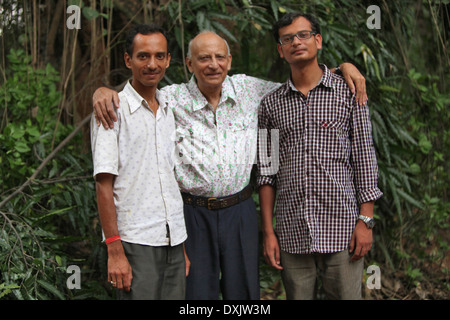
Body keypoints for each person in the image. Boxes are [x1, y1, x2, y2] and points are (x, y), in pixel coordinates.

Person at [92, 29, 367, 300]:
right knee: (197, 295)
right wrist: (103, 92)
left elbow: (299, 85)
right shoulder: (170, 99)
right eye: (203, 58)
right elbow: (139, 94)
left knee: (244, 293)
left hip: (240, 211)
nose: (213, 64)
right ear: (189, 63)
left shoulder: (250, 90)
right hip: (193, 213)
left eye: (219, 57)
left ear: (230, 60)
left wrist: (341, 68)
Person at [257, 12, 383, 300]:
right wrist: (268, 232)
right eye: (287, 39)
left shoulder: (349, 91)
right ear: (280, 49)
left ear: (318, 40)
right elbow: (266, 171)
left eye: (303, 35)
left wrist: (366, 221)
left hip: (342, 228)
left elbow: (364, 156)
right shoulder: (270, 105)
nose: (296, 42)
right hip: (291, 232)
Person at [90, 24, 189, 300]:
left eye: (160, 56)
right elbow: (103, 186)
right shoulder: (112, 110)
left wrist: (179, 246)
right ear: (128, 60)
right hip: (135, 241)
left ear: (169, 59)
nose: (152, 64)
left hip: (173, 239)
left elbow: (168, 180)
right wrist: (115, 250)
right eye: (143, 56)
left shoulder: (170, 108)